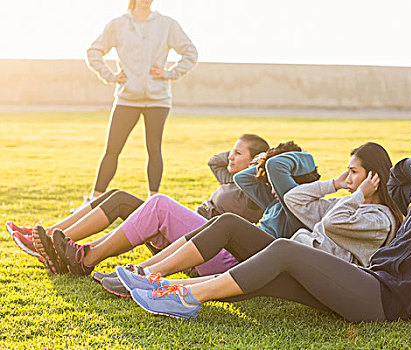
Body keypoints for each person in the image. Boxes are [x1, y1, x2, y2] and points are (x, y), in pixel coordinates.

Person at [116, 124, 411, 322]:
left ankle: (185, 297)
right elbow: (393, 174)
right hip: (369, 284)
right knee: (274, 273)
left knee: (284, 250)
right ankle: (161, 285)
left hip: (387, 299)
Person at [113, 142, 402, 306]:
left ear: (373, 177)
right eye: (347, 172)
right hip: (289, 256)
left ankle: (165, 287)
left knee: (254, 257)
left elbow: (335, 222)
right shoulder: (343, 201)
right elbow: (295, 200)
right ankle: (151, 276)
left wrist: (359, 194)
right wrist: (333, 184)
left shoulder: (379, 219)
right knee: (228, 223)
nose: (348, 179)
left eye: (353, 173)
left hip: (312, 276)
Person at [12, 134, 268, 277]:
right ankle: (50, 238)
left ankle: (85, 257)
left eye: (238, 153)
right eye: (231, 152)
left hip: (208, 250)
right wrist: (235, 154)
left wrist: (260, 164)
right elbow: (214, 161)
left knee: (158, 203)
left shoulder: (255, 192)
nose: (231, 157)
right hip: (186, 234)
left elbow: (254, 187)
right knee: (119, 197)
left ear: (255, 161)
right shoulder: (231, 179)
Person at [95, 141, 321, 297]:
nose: (271, 188)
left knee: (161, 204)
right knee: (162, 205)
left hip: (240, 264)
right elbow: (244, 178)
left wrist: (285, 159)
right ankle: (137, 272)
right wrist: (264, 158)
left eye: (275, 183)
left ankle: (140, 274)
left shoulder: (297, 205)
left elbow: (276, 167)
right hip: (230, 253)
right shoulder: (275, 203)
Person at [84, 0, 198, 204]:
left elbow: (191, 53)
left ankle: (152, 202)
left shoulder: (167, 24)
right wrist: (110, 76)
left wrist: (169, 73)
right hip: (127, 98)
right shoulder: (118, 24)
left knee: (154, 149)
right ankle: (93, 200)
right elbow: (94, 52)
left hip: (158, 100)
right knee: (112, 149)